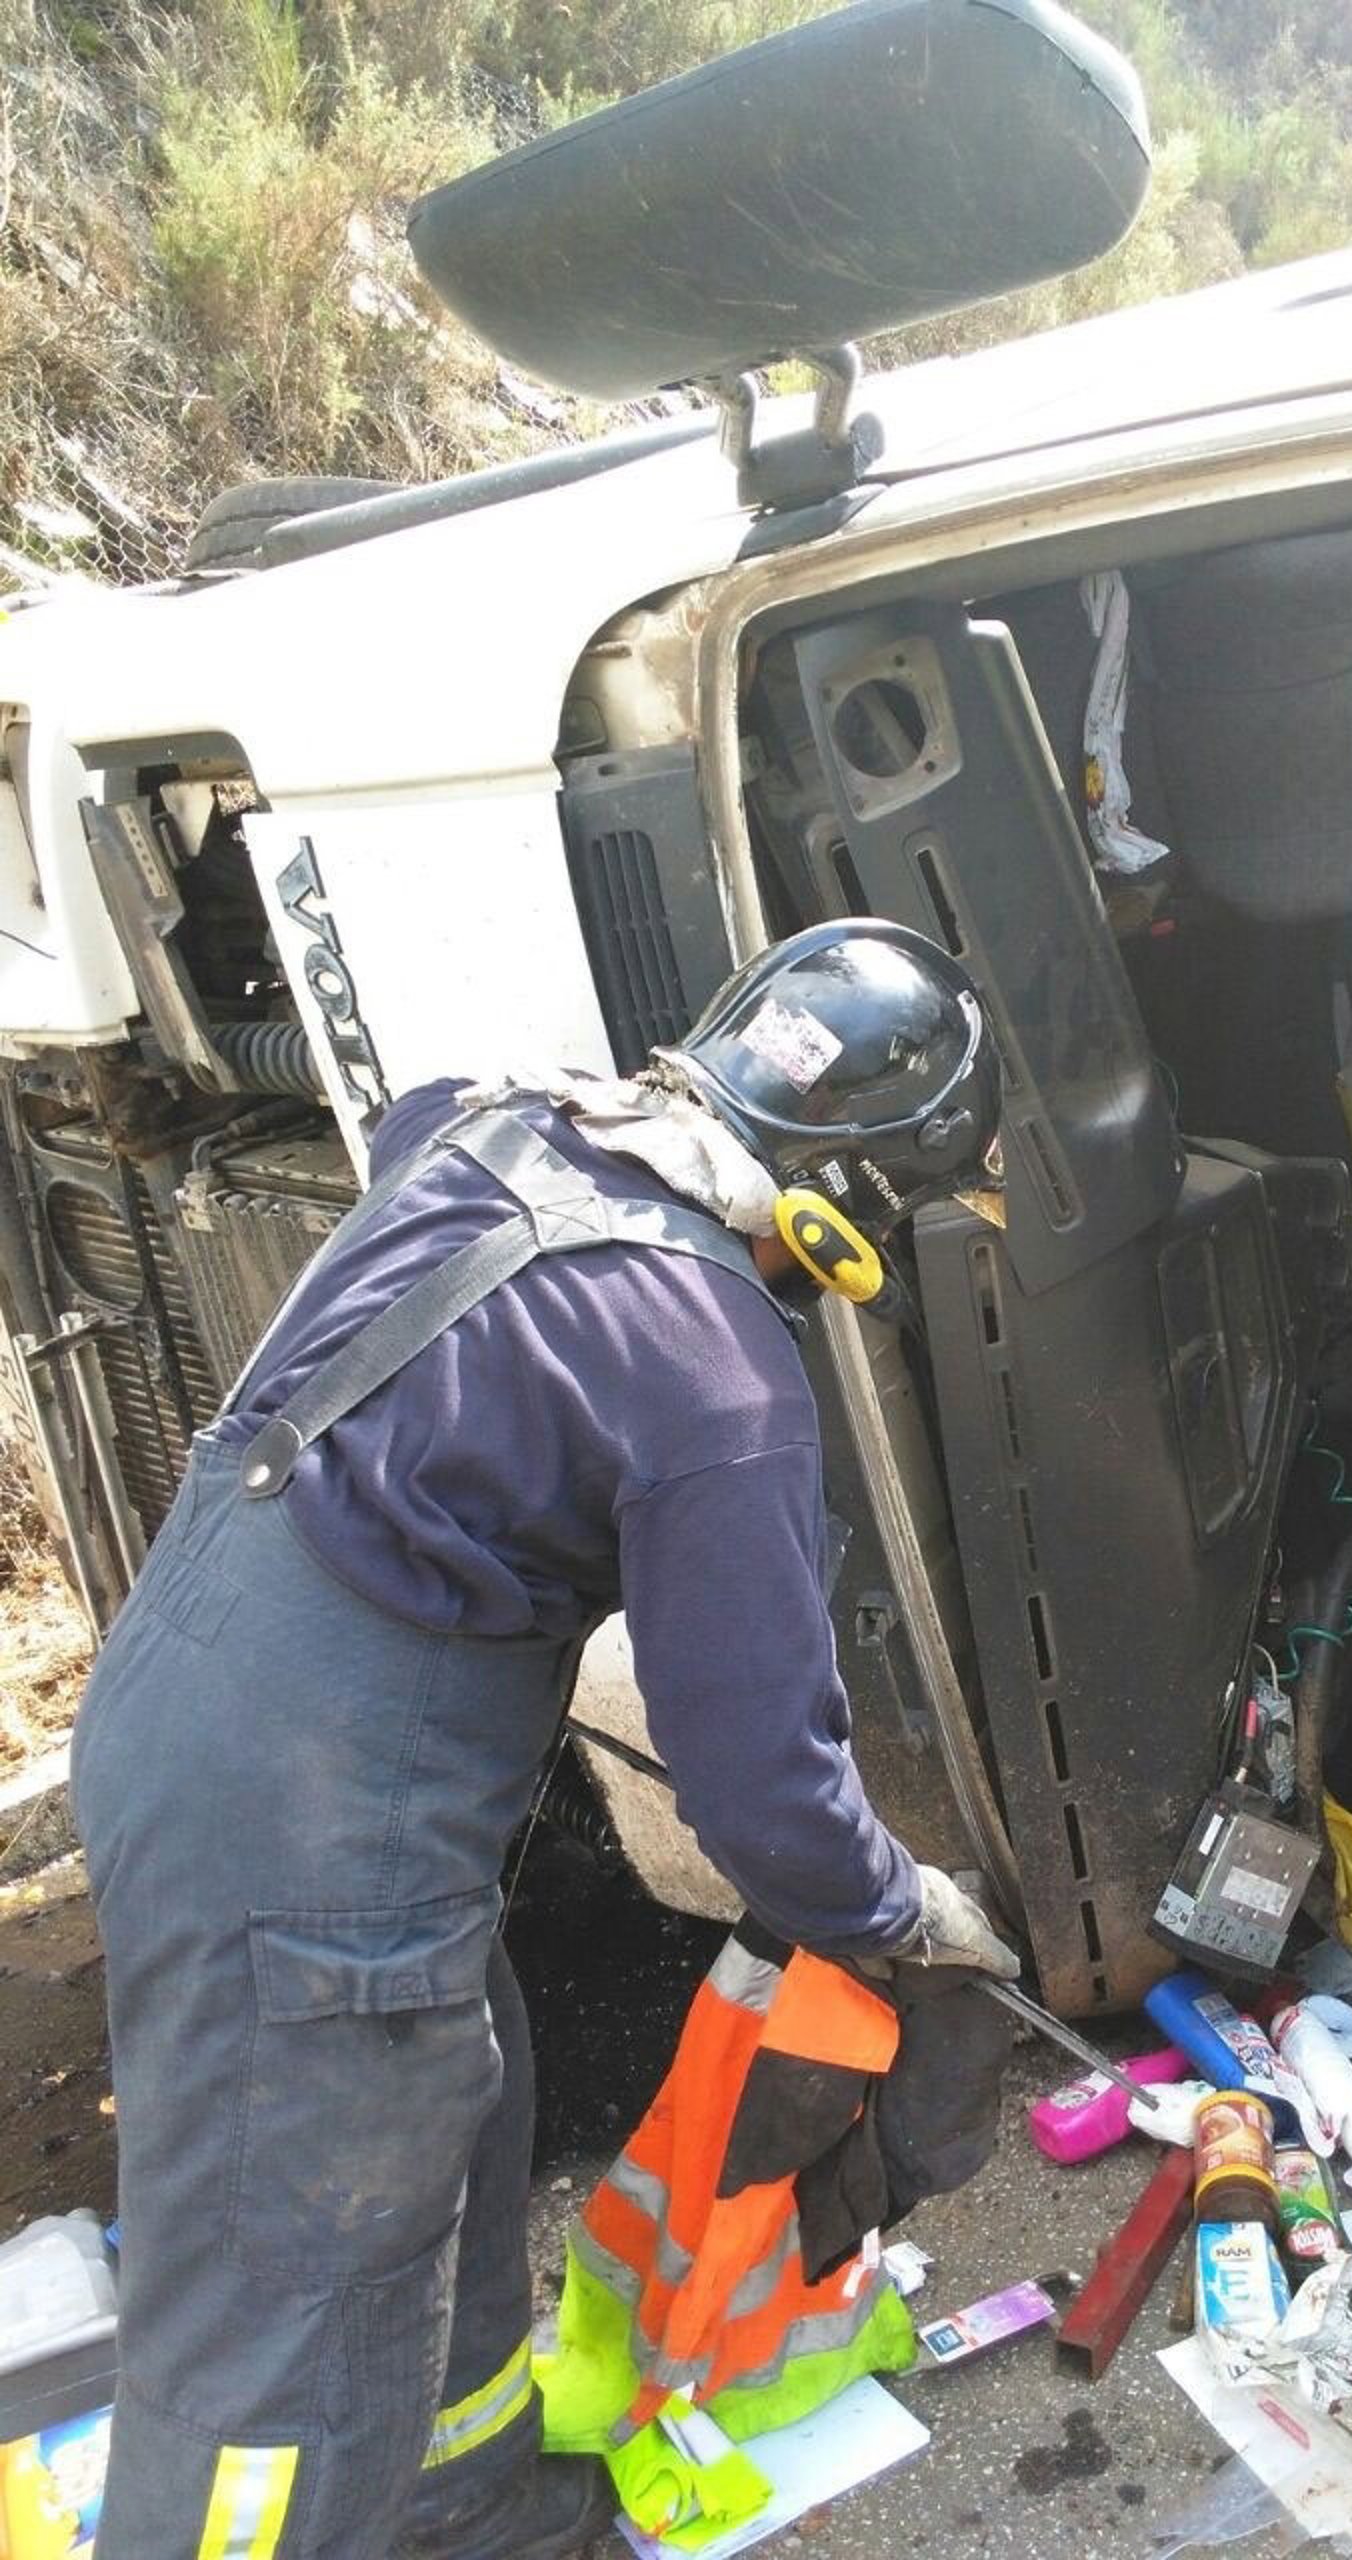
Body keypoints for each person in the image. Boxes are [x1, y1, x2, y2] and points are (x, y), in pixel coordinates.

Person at [70, 920, 1021, 2560]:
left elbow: (412, 1135)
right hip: (309, 1821)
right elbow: (760, 1787)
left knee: (460, 2106)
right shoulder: (719, 1376)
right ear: (840, 1210)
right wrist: (901, 1916)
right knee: (281, 2336)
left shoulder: (501, 1122)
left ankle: (470, 2504)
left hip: (199, 1675)